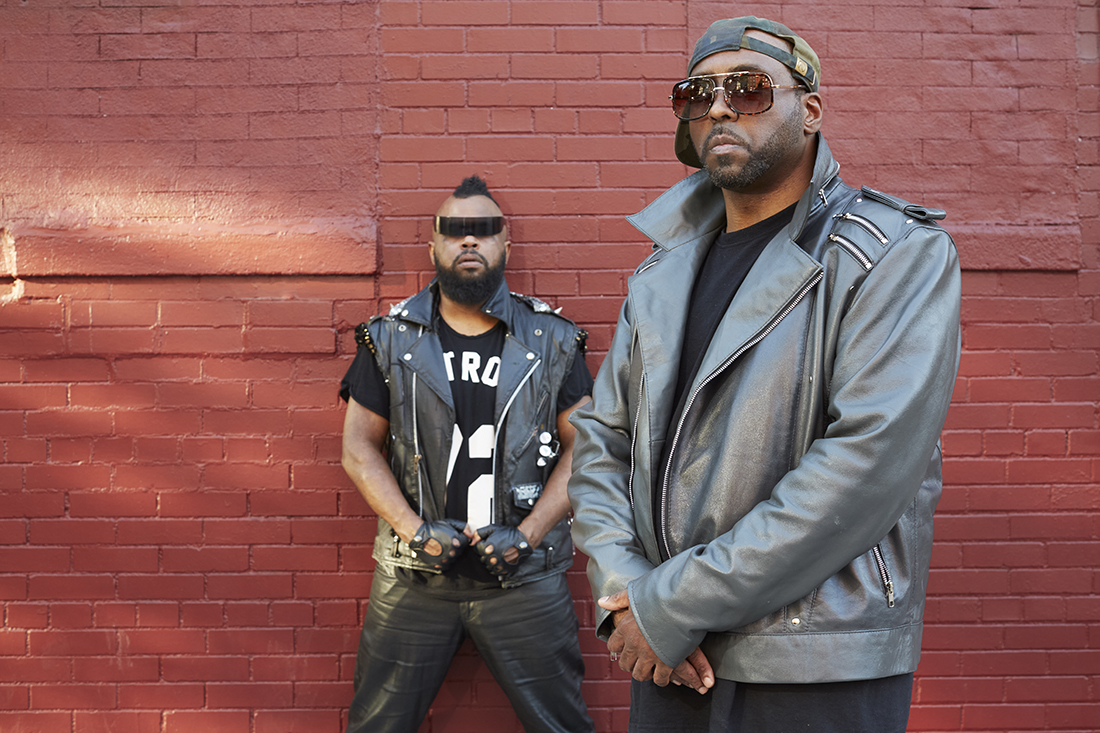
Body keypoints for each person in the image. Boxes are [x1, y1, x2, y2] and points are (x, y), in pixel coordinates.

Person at [567, 17, 962, 733]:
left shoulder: (894, 253)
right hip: (667, 657)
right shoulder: (660, 272)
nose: (719, 106)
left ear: (810, 111)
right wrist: (627, 592)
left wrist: (670, 604)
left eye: (748, 89)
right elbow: (600, 441)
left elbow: (865, 461)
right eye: (696, 93)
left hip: (814, 660)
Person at [339, 175, 595, 733]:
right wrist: (414, 532)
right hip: (414, 578)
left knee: (562, 726)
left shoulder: (553, 339)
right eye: (455, 231)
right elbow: (358, 448)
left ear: (506, 244)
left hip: (524, 578)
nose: (470, 241)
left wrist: (526, 536)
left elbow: (586, 450)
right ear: (433, 246)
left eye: (484, 230)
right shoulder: (388, 338)